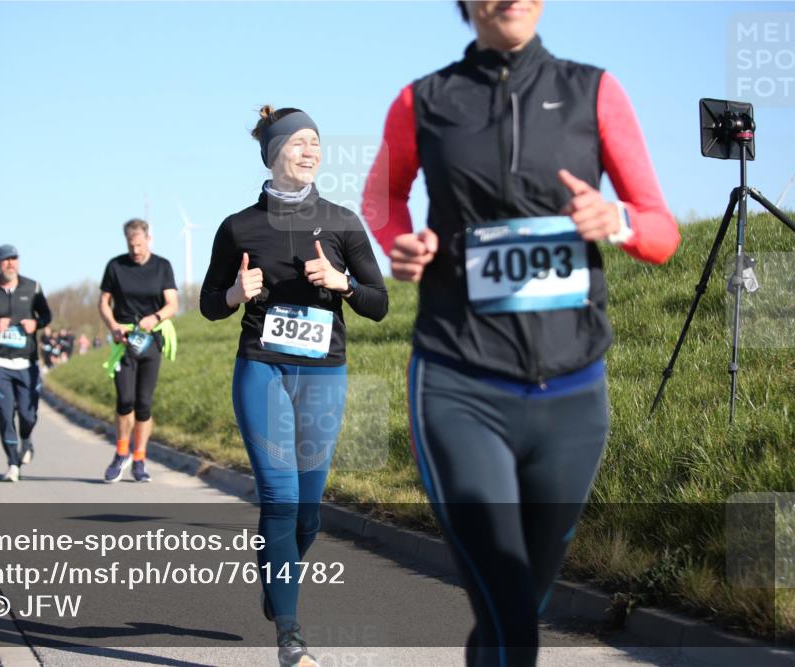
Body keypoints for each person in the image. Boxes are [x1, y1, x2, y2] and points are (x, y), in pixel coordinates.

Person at [360, 3, 680, 664]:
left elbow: (661, 229)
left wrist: (614, 219)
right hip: (458, 381)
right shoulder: (421, 99)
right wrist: (403, 243)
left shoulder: (595, 90)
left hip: (572, 393)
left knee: (517, 606)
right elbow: (380, 198)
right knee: (510, 608)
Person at [200, 106, 388, 667]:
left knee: (309, 512)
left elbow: (380, 304)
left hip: (323, 373)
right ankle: (291, 636)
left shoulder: (342, 221)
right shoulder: (238, 227)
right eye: (299, 142)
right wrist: (235, 293)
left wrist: (343, 282)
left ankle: (275, 577)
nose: (310, 151)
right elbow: (211, 304)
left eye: (316, 142)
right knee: (280, 499)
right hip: (262, 367)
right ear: (273, 152)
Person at [98, 218, 178, 483]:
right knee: (124, 400)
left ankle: (140, 459)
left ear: (149, 239)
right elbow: (103, 302)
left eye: (140, 245)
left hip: (151, 340)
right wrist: (112, 326)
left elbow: (172, 304)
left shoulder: (162, 266)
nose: (136, 250)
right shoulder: (115, 266)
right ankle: (121, 454)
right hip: (124, 341)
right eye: (131, 246)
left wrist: (154, 318)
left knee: (143, 403)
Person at [0, 244, 52, 482]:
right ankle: (13, 464)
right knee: (6, 416)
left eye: (14, 259)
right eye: (6, 260)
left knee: (28, 415)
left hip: (27, 363)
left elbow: (46, 315)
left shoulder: (32, 287)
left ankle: (26, 440)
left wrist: (37, 324)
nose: (10, 264)